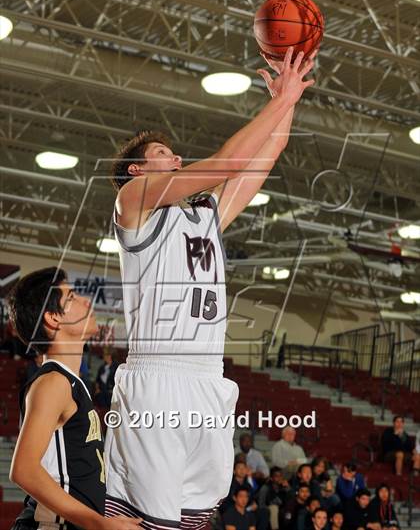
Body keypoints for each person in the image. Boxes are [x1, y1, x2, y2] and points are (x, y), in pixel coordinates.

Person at [105, 46, 316, 528]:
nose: (175, 156)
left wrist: (290, 98)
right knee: (146, 521)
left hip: (207, 378)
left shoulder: (204, 216)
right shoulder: (131, 201)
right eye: (163, 153)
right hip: (156, 378)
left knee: (195, 516)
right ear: (137, 170)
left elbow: (264, 157)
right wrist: (276, 102)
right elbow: (227, 161)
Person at [7, 267, 140, 530]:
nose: (86, 301)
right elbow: (23, 469)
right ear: (53, 318)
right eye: (72, 297)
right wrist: (99, 523)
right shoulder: (53, 382)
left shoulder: (70, 381)